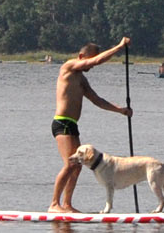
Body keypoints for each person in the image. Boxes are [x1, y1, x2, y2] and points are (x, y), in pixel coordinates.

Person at [50, 37, 132, 213]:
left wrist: (121, 110)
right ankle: (54, 204)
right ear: (81, 56)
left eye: (92, 63)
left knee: (78, 166)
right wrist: (119, 46)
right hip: (61, 123)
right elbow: (97, 60)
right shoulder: (68, 67)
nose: (92, 66)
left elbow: (97, 100)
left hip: (72, 125)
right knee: (70, 164)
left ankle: (67, 205)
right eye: (89, 61)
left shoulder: (81, 80)